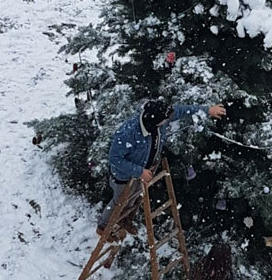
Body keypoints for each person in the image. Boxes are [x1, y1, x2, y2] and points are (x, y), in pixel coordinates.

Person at [97, 99, 226, 233]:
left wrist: (208, 110)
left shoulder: (159, 120)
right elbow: (115, 158)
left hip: (144, 171)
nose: (167, 121)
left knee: (134, 196)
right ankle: (103, 226)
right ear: (154, 122)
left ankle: (123, 219)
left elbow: (181, 111)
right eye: (164, 120)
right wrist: (139, 171)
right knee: (120, 200)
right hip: (124, 175)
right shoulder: (128, 133)